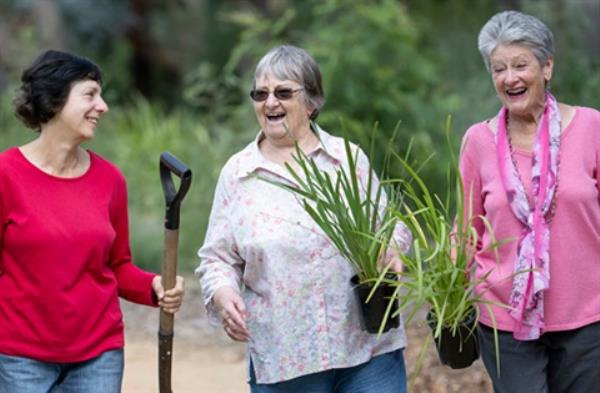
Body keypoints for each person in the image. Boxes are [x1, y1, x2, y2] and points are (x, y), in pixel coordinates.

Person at [196, 44, 410, 393]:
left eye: (283, 92)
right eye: (260, 94)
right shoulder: (238, 174)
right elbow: (217, 257)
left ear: (311, 103)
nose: (270, 103)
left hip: (367, 348)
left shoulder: (346, 159)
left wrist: (391, 248)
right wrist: (222, 292)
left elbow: (388, 226)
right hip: (285, 359)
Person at [0, 50, 185, 393]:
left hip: (98, 356)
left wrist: (154, 286)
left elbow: (119, 267)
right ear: (53, 101)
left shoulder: (109, 179)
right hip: (20, 359)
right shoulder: (5, 176)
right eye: (90, 94)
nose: (103, 106)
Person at [460, 10, 600, 393]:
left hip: (587, 318)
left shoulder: (592, 127)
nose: (510, 78)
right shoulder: (477, 141)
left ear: (547, 67)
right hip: (504, 317)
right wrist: (448, 298)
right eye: (498, 69)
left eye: (521, 65)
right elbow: (467, 230)